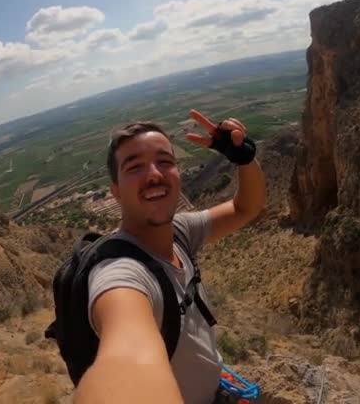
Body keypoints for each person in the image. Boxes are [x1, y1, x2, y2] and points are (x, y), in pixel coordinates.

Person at [73, 109, 266, 404]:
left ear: (178, 173)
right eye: (134, 167)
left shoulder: (179, 231)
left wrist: (244, 160)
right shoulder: (120, 273)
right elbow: (124, 358)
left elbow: (245, 208)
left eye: (165, 161)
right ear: (116, 192)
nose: (154, 174)